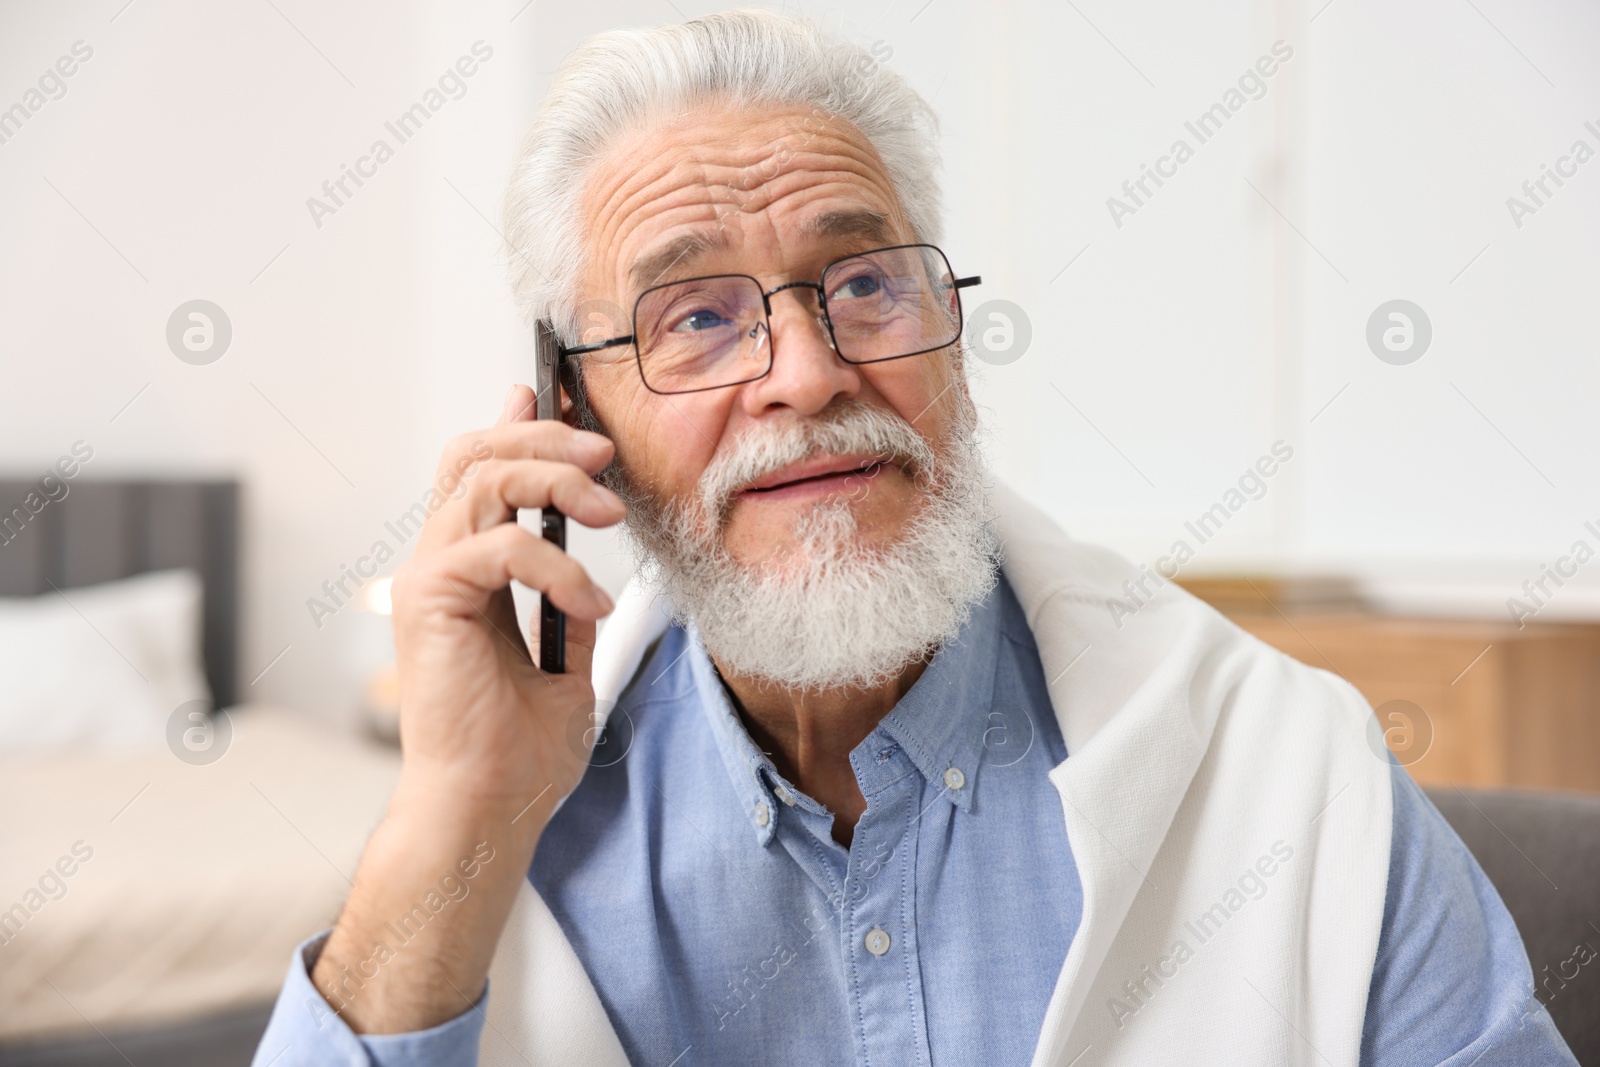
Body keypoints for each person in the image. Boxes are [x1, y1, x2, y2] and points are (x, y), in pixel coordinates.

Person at [253, 10, 1577, 1066]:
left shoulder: (1289, 771)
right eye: (697, 317)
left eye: (865, 284)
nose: (807, 372)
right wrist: (456, 818)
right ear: (571, 413)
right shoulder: (514, 833)